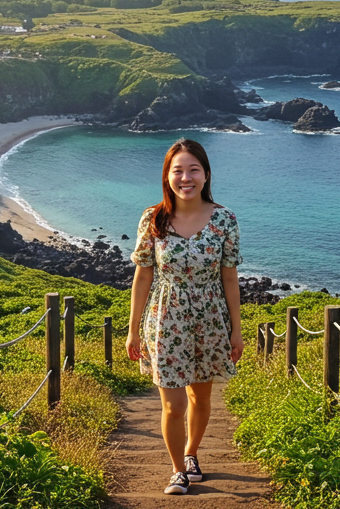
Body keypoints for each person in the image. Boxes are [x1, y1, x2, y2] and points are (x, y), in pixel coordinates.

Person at [126, 138, 244, 496]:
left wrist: (236, 331)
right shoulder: (153, 218)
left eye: (194, 169)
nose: (186, 177)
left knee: (201, 398)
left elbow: (229, 277)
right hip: (165, 318)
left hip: (210, 318)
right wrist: (133, 331)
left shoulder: (224, 219)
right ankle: (177, 470)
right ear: (167, 176)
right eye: (178, 170)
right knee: (173, 403)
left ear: (206, 175)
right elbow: (143, 275)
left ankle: (192, 453)